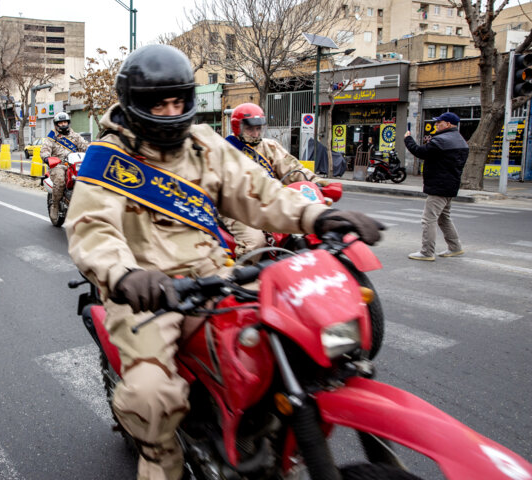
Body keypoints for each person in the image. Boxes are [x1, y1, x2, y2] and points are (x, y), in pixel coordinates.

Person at [65, 44, 383, 480]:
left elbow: (259, 191)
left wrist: (319, 215)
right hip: (147, 293)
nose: (172, 111)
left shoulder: (205, 144)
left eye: (179, 101)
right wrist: (123, 276)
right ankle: (161, 459)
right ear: (135, 105)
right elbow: (91, 229)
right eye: (160, 104)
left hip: (216, 275)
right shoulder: (109, 159)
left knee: (302, 330)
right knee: (151, 393)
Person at [221, 103, 331, 258]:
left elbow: (292, 168)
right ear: (237, 127)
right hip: (238, 207)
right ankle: (243, 278)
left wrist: (317, 182)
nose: (255, 133)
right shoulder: (227, 150)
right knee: (255, 243)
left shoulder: (269, 146)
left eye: (258, 129)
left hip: (270, 201)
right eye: (250, 129)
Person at [404, 112, 468, 261]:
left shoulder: (441, 140)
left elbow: (420, 152)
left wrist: (408, 139)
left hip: (439, 186)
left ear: (449, 124)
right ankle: (455, 247)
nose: (436, 125)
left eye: (439, 122)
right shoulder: (461, 140)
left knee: (428, 219)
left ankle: (427, 252)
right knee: (444, 218)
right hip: (451, 185)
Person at [40, 111, 89, 219]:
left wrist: (95, 150)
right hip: (58, 165)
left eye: (65, 122)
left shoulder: (75, 136)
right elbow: (45, 150)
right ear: (56, 124)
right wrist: (47, 158)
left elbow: (85, 146)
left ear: (68, 123)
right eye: (60, 123)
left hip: (75, 164)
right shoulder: (52, 137)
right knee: (60, 180)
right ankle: (55, 205)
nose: (63, 125)